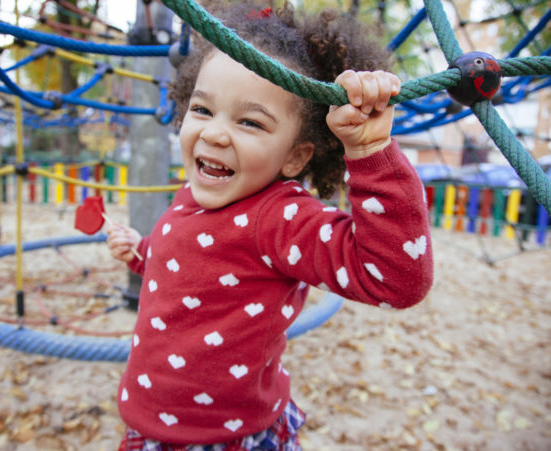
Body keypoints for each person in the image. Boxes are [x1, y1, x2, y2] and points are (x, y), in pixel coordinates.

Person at [107, 2, 433, 449]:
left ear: (296, 156)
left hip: (224, 438)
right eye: (203, 110)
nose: (215, 134)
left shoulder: (279, 218)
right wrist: (142, 252)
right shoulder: (197, 192)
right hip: (147, 423)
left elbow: (395, 279)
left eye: (249, 121)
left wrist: (369, 150)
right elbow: (191, 267)